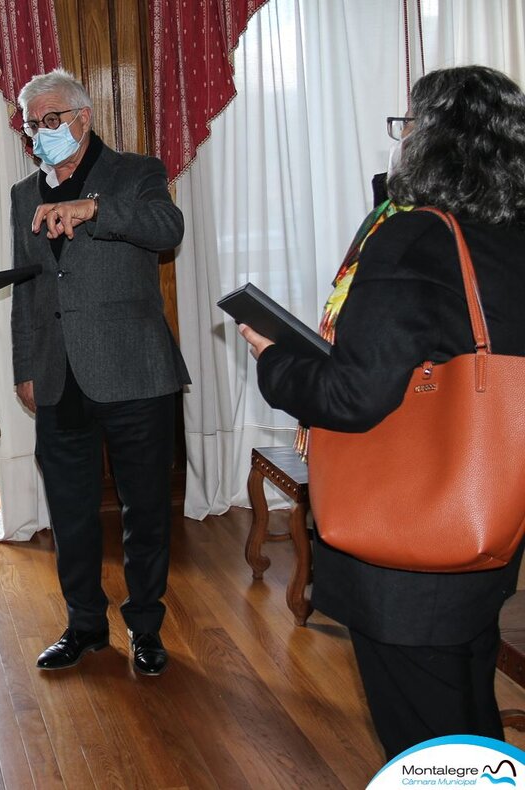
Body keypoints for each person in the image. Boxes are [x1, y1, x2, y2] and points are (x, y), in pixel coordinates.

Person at [240, 65, 525, 760]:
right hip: (488, 520)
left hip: (409, 548)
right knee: (468, 712)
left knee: (424, 743)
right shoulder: (509, 234)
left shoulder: (414, 239)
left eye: (409, 126)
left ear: (430, 141)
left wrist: (275, 360)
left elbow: (352, 397)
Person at [10, 69, 189, 676]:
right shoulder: (22, 194)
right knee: (70, 511)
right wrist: (26, 367)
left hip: (135, 370)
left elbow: (169, 230)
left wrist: (96, 210)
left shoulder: (137, 173)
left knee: (145, 510)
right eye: (32, 123)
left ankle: (146, 628)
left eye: (51, 119)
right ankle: (84, 626)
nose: (40, 132)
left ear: (84, 119)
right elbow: (27, 290)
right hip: (59, 374)